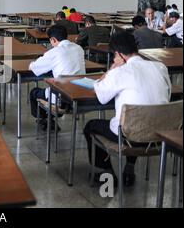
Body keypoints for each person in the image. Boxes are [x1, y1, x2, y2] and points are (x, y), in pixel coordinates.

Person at [84, 31, 171, 186]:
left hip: (131, 136)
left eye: (114, 55)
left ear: (118, 54)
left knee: (91, 126)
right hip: (161, 136)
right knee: (139, 120)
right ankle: (129, 168)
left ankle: (107, 174)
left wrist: (110, 71)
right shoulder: (160, 67)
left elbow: (102, 97)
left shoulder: (119, 71)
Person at [29, 25, 85, 131]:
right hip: (79, 94)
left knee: (34, 92)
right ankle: (49, 119)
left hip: (62, 98)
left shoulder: (54, 52)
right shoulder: (79, 48)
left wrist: (32, 63)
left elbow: (34, 67)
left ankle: (44, 120)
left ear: (53, 39)